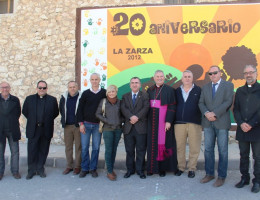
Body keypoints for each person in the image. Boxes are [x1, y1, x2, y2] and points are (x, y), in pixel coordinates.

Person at [199, 65, 234, 187]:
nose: (213, 75)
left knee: (222, 150)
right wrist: (206, 113)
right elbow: (201, 102)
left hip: (222, 122)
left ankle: (221, 176)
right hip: (208, 122)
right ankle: (209, 174)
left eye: (215, 73)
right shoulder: (205, 87)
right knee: (208, 149)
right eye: (210, 73)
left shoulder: (228, 86)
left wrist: (215, 113)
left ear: (220, 73)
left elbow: (228, 102)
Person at [22, 80, 59, 179]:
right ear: (37, 88)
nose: (42, 89)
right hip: (33, 129)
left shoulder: (52, 100)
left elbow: (55, 113)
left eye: (44, 88)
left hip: (45, 128)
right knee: (32, 150)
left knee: (43, 150)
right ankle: (31, 170)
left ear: (46, 89)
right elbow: (25, 111)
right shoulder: (29, 99)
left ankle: (40, 169)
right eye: (40, 88)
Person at [233, 65, 260, 193]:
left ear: (256, 73)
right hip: (242, 128)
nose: (248, 75)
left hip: (257, 129)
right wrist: (241, 123)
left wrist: (251, 123)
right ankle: (245, 178)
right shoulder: (240, 91)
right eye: (246, 73)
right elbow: (236, 109)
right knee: (243, 155)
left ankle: (257, 181)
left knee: (258, 157)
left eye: (251, 72)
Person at [146, 70, 178, 177]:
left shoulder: (170, 90)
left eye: (161, 76)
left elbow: (172, 106)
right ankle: (152, 167)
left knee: (163, 144)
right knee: (152, 144)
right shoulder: (150, 90)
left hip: (164, 121)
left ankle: (162, 169)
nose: (159, 78)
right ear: (154, 78)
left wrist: (168, 121)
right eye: (157, 76)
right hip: (152, 121)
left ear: (164, 78)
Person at [77, 73, 106, 178]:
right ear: (90, 80)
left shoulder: (104, 93)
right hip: (86, 124)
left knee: (96, 148)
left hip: (98, 126)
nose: (94, 81)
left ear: (99, 81)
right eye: (92, 79)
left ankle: (93, 168)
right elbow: (79, 109)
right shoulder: (85, 94)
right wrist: (81, 124)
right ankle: (84, 168)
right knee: (84, 148)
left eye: (96, 79)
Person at [174, 70, 202, 178]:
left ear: (192, 78)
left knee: (194, 147)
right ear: (182, 79)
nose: (187, 78)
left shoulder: (198, 90)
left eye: (189, 76)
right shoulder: (176, 91)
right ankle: (181, 167)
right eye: (185, 76)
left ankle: (191, 168)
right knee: (180, 147)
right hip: (179, 123)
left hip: (194, 123)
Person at [121, 77, 149, 179]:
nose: (134, 84)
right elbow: (123, 108)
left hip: (141, 128)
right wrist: (131, 117)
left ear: (140, 84)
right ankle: (130, 170)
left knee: (141, 150)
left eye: (136, 83)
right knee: (129, 151)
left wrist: (136, 117)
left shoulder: (145, 95)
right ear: (130, 85)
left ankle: (140, 170)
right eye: (132, 83)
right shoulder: (125, 96)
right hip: (128, 128)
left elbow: (146, 108)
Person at [96, 85, 122, 181]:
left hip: (118, 129)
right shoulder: (103, 102)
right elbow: (98, 114)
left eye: (113, 91)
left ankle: (111, 168)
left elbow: (123, 115)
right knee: (108, 150)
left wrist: (119, 121)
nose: (111, 93)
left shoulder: (120, 102)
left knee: (114, 150)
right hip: (107, 129)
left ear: (116, 92)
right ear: (107, 93)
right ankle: (109, 171)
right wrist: (107, 120)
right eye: (109, 92)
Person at [59, 81, 82, 175]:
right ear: (68, 88)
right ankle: (69, 166)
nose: (72, 89)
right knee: (68, 147)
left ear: (77, 87)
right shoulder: (64, 98)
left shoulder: (81, 97)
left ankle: (77, 166)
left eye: (74, 87)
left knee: (78, 147)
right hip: (67, 126)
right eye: (70, 87)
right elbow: (61, 110)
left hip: (78, 126)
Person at [0, 82, 21, 180]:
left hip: (12, 129)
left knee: (15, 151)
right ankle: (0, 172)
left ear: (10, 88)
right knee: (0, 152)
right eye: (3, 87)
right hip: (0, 130)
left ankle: (15, 171)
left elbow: (18, 113)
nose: (5, 89)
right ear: (0, 88)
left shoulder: (15, 100)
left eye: (7, 87)